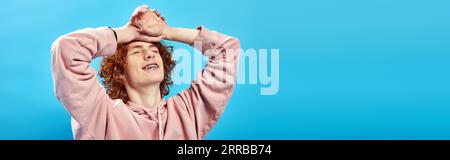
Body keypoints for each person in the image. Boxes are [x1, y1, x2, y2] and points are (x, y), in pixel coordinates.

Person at [51, 4, 240, 140]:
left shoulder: (188, 111)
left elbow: (227, 50)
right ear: (119, 72)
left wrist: (167, 31)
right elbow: (66, 49)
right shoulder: (101, 113)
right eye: (137, 51)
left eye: (154, 51)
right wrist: (128, 33)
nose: (149, 55)